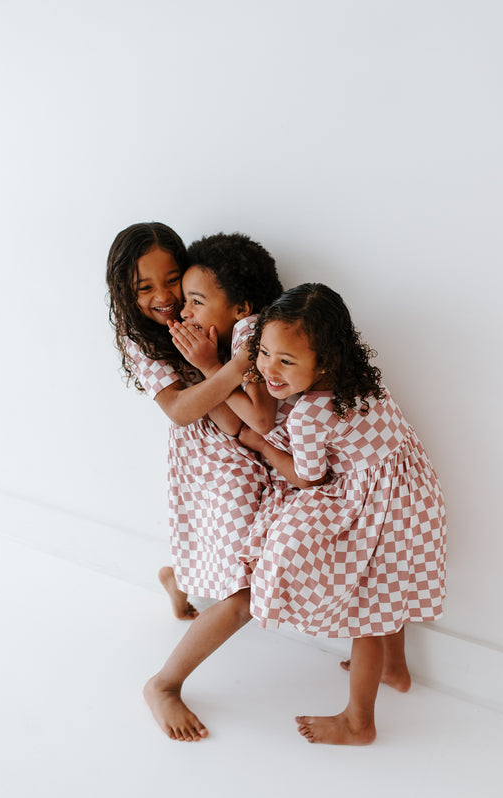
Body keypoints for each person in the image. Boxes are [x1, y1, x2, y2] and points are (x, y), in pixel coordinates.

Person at [238, 283, 446, 745]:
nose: (269, 368)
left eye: (286, 361)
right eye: (264, 353)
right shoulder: (365, 383)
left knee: (366, 615)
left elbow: (307, 479)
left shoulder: (307, 416)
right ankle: (395, 669)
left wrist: (262, 447)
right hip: (412, 496)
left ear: (324, 362)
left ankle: (359, 722)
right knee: (385, 589)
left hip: (377, 507)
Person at [106, 223, 283, 740]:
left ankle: (176, 578)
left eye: (172, 280)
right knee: (244, 590)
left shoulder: (208, 311)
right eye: (144, 288)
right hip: (209, 458)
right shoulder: (143, 342)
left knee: (228, 549)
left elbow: (241, 413)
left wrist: (224, 369)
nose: (164, 297)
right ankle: (163, 684)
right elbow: (182, 410)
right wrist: (227, 367)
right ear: (126, 293)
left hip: (242, 441)